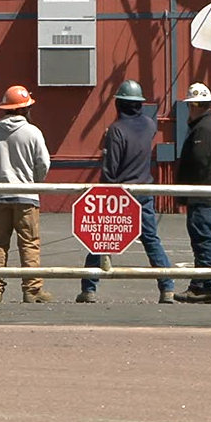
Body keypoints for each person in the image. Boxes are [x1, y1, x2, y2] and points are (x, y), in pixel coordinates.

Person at [76, 80, 175, 305]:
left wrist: (101, 192)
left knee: (99, 238)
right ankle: (167, 286)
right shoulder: (150, 125)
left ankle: (89, 289)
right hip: (144, 190)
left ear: (119, 104)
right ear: (139, 104)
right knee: (150, 239)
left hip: (118, 193)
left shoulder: (116, 130)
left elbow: (110, 168)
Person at [0, 84, 54, 303]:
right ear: (24, 109)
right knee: (29, 243)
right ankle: (32, 290)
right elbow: (43, 163)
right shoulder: (32, 132)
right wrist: (34, 181)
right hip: (26, 196)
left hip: (0, 195)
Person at [174, 82, 211, 304]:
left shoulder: (204, 128)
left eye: (191, 105)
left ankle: (210, 287)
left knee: (204, 240)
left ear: (195, 105)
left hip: (203, 196)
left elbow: (198, 161)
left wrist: (184, 190)